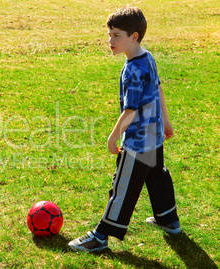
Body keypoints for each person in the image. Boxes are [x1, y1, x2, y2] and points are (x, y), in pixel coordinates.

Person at [68, 6, 181, 252]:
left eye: (116, 35)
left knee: (122, 187)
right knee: (157, 175)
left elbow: (130, 111)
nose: (110, 40)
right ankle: (168, 219)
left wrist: (113, 137)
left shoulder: (133, 70)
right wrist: (167, 121)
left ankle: (101, 236)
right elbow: (159, 89)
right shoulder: (147, 57)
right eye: (109, 34)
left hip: (138, 142)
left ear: (134, 37)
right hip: (154, 136)